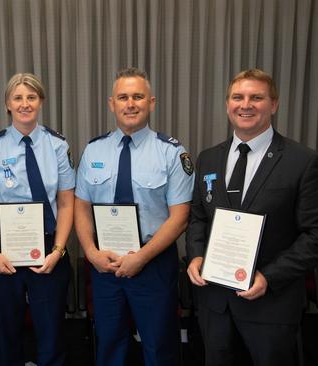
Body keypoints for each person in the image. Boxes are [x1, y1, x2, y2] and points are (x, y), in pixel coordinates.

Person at [185, 68, 318, 366]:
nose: (246, 104)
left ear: (274, 104)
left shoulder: (304, 162)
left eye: (257, 97)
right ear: (227, 104)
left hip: (271, 304)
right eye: (237, 97)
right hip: (215, 303)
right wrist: (195, 256)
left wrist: (269, 277)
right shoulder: (208, 158)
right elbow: (199, 217)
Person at [74, 67, 194, 366]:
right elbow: (80, 207)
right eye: (123, 97)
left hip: (152, 263)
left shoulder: (171, 152)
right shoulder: (94, 150)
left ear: (151, 102)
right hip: (106, 262)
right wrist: (90, 253)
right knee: (110, 344)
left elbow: (180, 217)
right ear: (111, 103)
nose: (131, 103)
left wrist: (141, 257)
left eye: (138, 97)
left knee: (159, 345)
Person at [0, 73, 74, 366]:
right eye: (18, 98)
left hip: (49, 247)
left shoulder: (57, 145)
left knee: (51, 327)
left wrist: (58, 250)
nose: (25, 104)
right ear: (8, 103)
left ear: (40, 101)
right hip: (5, 250)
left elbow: (67, 202)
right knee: (6, 328)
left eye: (31, 97)